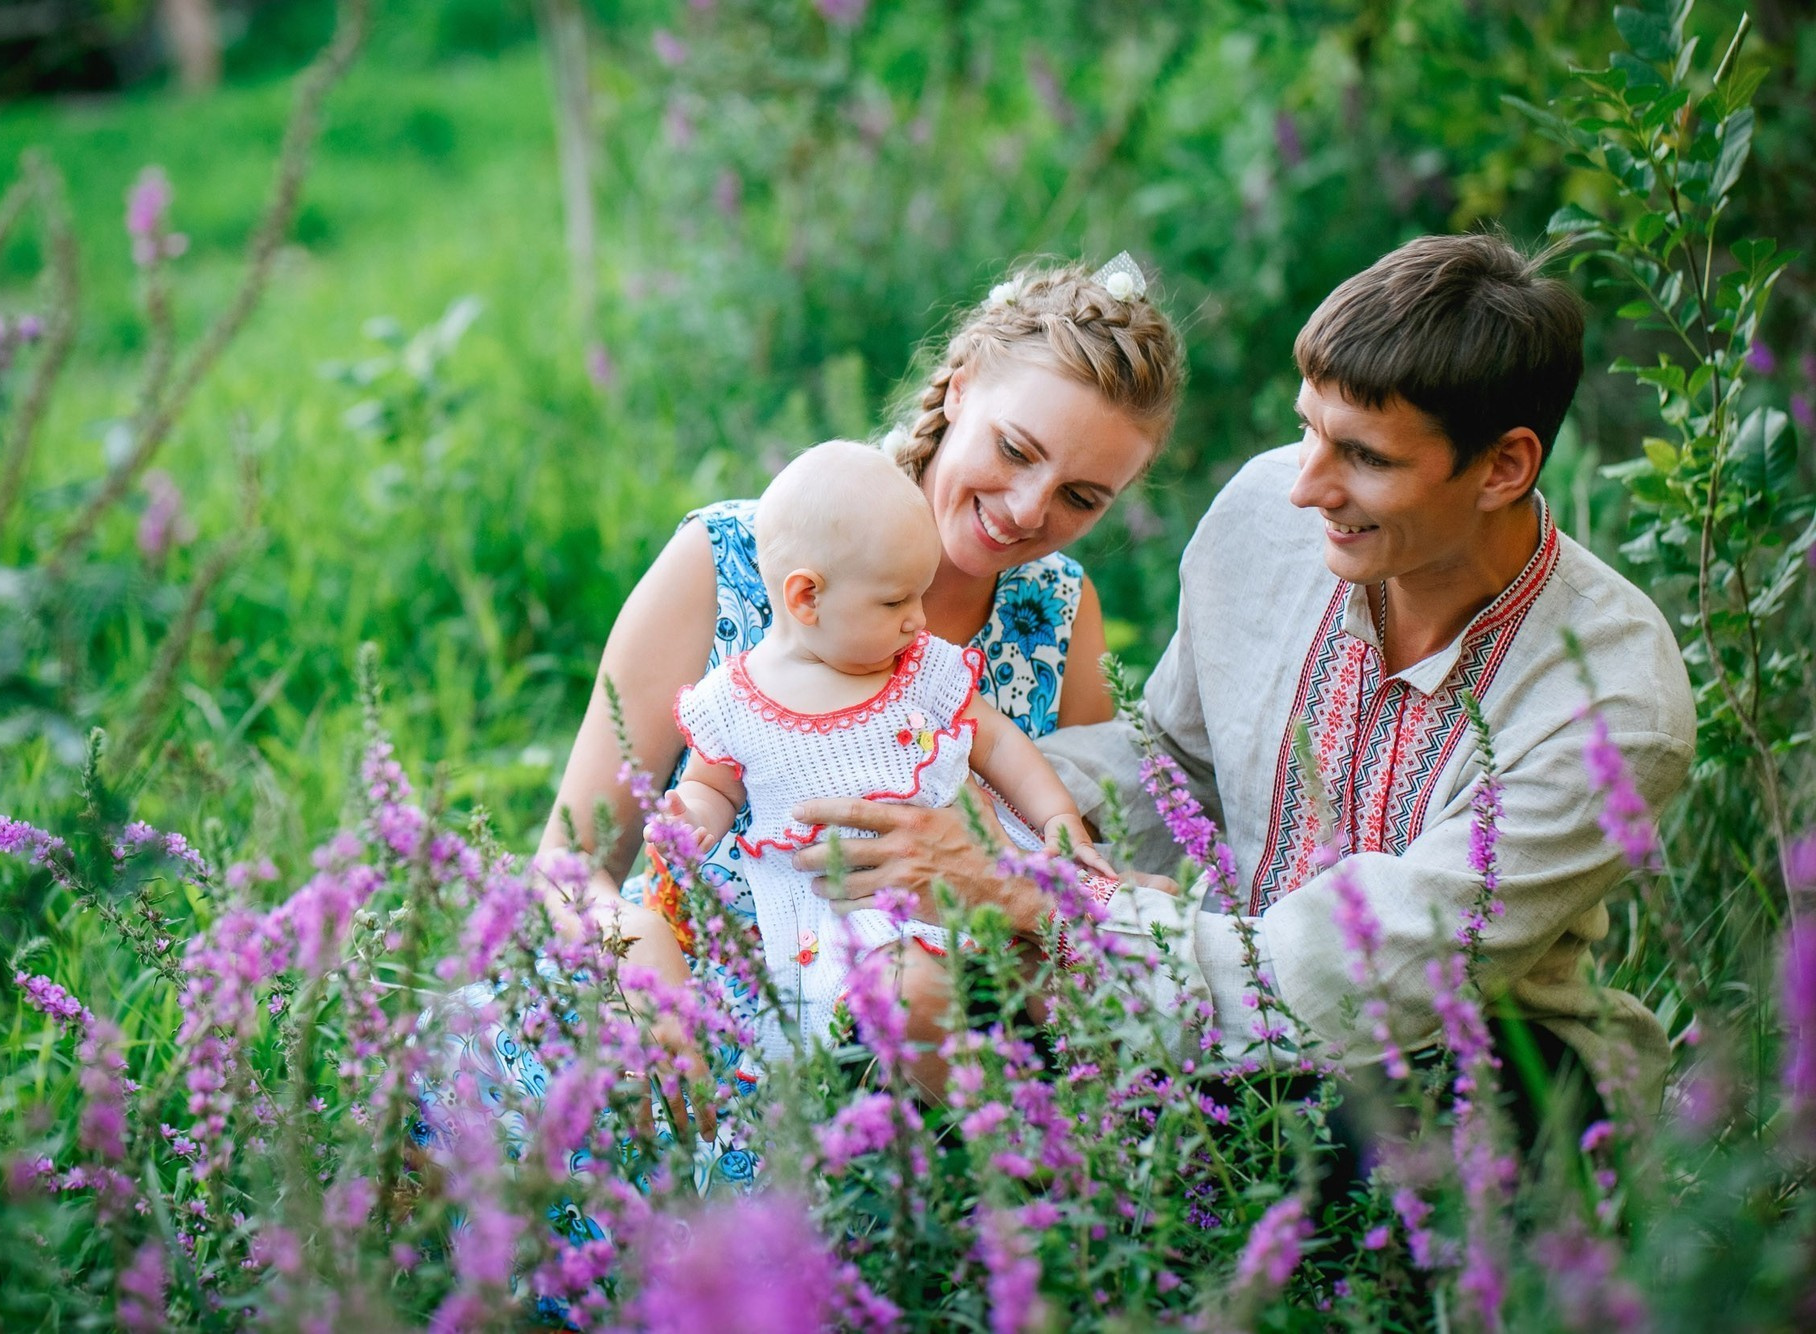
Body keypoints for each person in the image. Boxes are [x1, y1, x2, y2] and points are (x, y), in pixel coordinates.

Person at [797, 233, 1697, 1133]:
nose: (1305, 488)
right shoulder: (1267, 514)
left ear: (1503, 467)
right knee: (898, 1009)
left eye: (1366, 458)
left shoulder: (1609, 703)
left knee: (1380, 1140)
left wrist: (1044, 898)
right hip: (1194, 990)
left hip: (1456, 1065)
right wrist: (943, 805)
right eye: (1309, 429)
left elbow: (1361, 987)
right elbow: (1169, 762)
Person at [526, 256, 1186, 1092]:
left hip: (906, 1070)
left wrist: (1073, 896)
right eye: (1015, 449)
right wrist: (642, 967)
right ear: (960, 389)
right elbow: (565, 866)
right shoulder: (730, 563)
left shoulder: (1055, 612)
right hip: (678, 1034)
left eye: (1082, 498)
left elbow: (1055, 873)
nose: (1028, 509)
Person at [643, 440, 1111, 1090]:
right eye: (895, 603)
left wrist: (1058, 817)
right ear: (806, 597)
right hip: (853, 907)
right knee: (910, 995)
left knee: (1059, 970)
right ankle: (985, 1121)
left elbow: (998, 743)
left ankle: (1096, 1101)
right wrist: (689, 819)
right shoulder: (735, 700)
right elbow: (711, 787)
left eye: (919, 596)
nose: (918, 619)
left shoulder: (917, 667)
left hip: (973, 871)